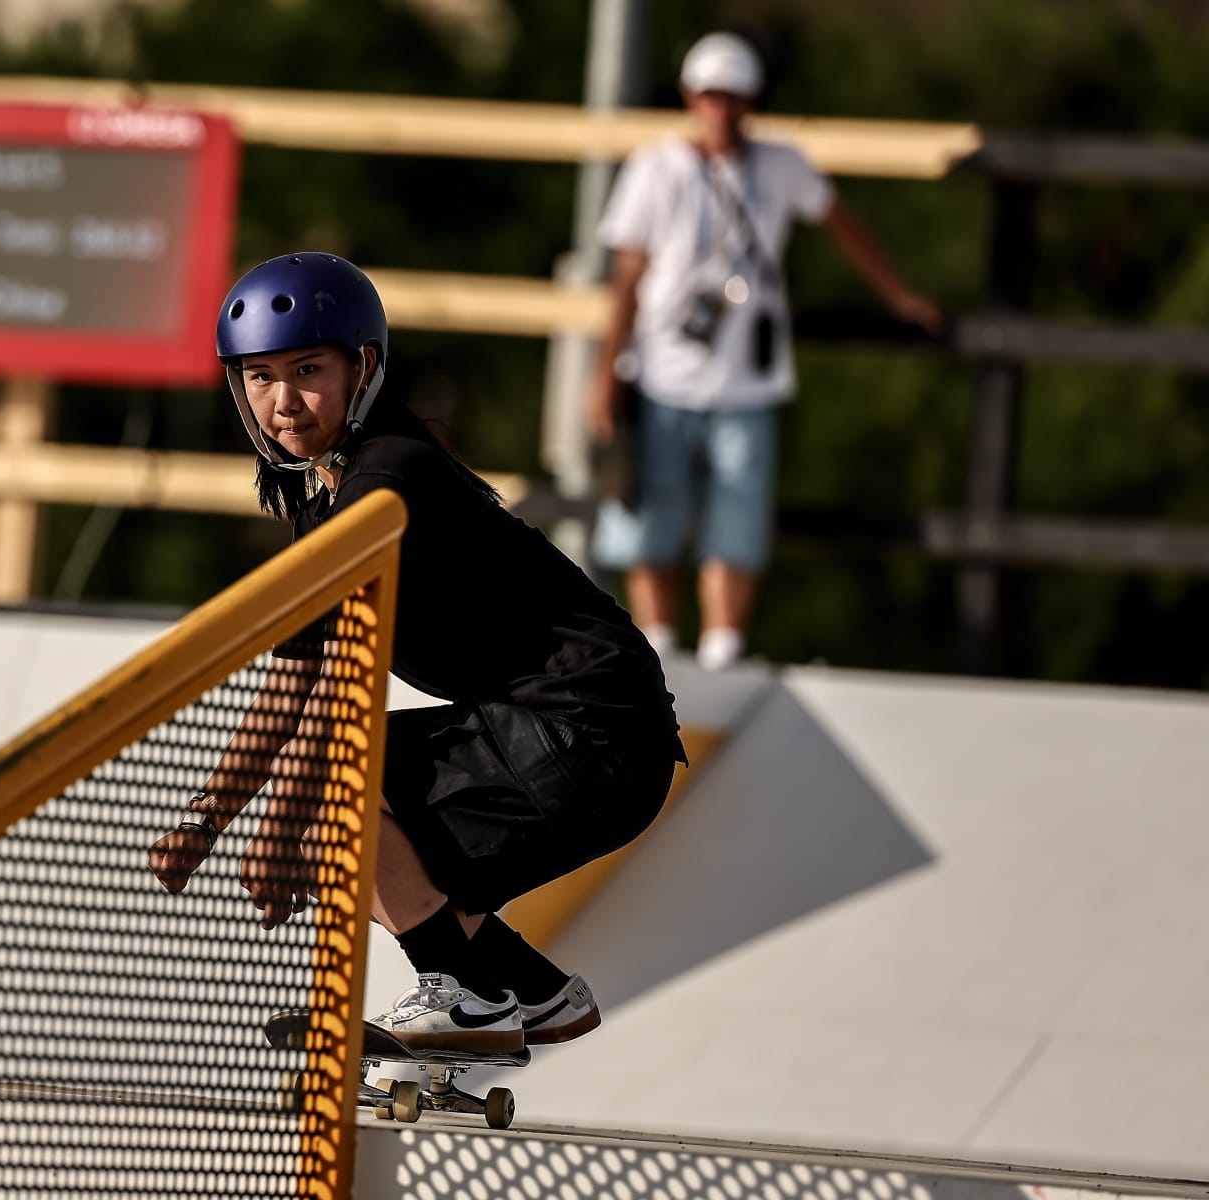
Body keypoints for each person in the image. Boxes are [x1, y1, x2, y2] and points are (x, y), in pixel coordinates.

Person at [148, 252, 687, 1054]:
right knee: (348, 817)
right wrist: (210, 816)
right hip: (577, 737)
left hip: (586, 737)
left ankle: (465, 997)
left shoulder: (389, 482)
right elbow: (288, 689)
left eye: (306, 370)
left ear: (362, 366)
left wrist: (280, 822)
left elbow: (338, 693)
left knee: (336, 791)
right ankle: (532, 993)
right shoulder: (329, 504)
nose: (282, 401)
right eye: (259, 377)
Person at [589, 32, 944, 670]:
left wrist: (898, 295)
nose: (720, 108)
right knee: (653, 514)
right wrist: (604, 374)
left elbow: (842, 223)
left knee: (738, 514)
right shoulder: (656, 166)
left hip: (745, 377)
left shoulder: (780, 164)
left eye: (732, 96)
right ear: (691, 97)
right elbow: (627, 277)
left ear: (750, 100)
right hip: (664, 369)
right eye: (710, 95)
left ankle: (724, 645)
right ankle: (659, 645)